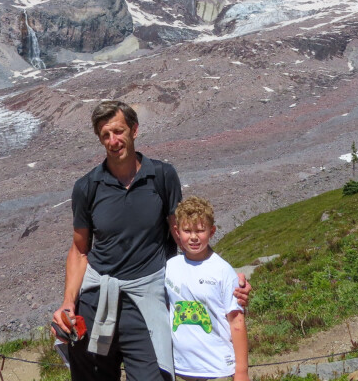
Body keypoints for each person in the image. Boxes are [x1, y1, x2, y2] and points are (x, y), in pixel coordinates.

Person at [52, 101, 249, 381]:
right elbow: (80, 250)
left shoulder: (162, 176)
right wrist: (68, 303)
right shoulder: (87, 187)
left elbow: (182, 236)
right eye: (105, 135)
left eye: (118, 131)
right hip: (97, 300)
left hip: (146, 300)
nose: (113, 141)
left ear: (134, 130)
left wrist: (226, 278)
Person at [166, 197, 248, 381]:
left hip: (216, 370)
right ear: (177, 232)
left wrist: (242, 372)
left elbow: (237, 322)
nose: (193, 237)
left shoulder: (222, 270)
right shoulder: (170, 267)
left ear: (212, 232)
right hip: (179, 369)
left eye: (200, 230)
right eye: (187, 231)